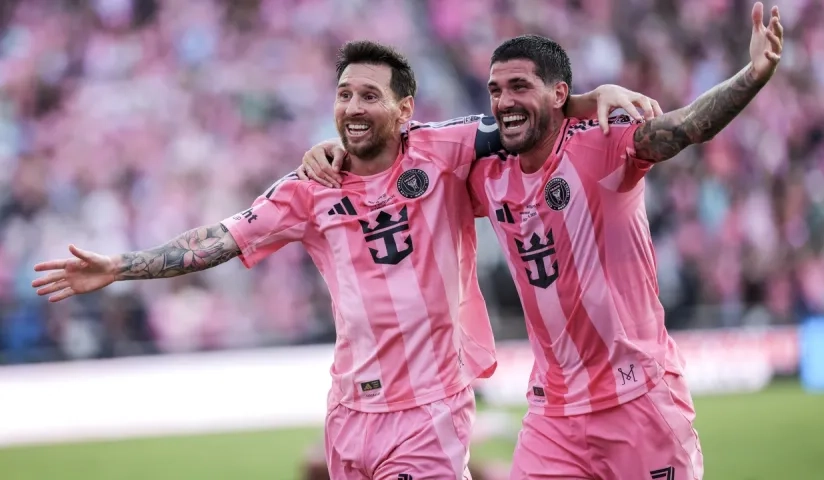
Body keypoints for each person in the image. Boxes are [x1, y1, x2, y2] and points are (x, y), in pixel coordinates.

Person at [30, 39, 663, 480]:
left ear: (404, 109)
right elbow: (218, 239)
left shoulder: (445, 151)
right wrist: (121, 267)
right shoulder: (308, 188)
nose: (353, 107)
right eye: (344, 94)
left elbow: (525, 117)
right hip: (348, 412)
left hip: (429, 407)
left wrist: (588, 98)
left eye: (369, 95)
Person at [297, 4, 784, 479]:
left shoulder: (602, 144)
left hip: (637, 398)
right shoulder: (486, 173)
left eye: (519, 87)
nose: (503, 100)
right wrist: (344, 146)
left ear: (558, 94)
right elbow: (402, 150)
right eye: (495, 90)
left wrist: (753, 75)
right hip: (553, 413)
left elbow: (685, 127)